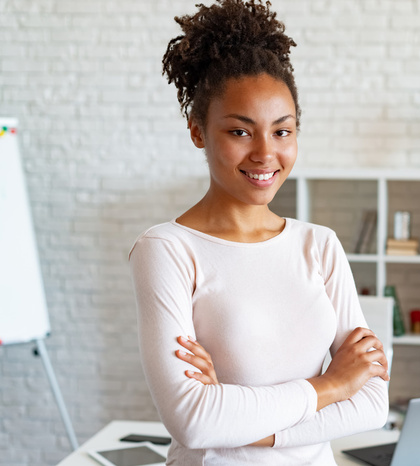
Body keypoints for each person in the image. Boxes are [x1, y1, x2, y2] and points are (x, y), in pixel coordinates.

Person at [128, 1, 390, 464]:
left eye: (282, 132)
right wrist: (331, 386)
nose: (266, 154)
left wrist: (246, 426)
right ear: (198, 131)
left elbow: (371, 404)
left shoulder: (320, 245)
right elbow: (193, 420)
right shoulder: (168, 250)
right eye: (241, 132)